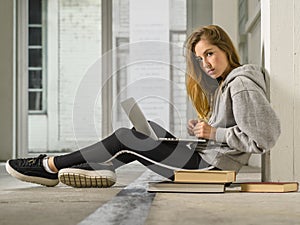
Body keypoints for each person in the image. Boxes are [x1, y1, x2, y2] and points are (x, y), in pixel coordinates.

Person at [6, 25, 281, 188]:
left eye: (209, 53)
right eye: (199, 58)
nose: (205, 63)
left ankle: (50, 166)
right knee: (150, 130)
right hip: (207, 159)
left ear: (225, 50)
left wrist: (213, 133)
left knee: (128, 137)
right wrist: (202, 132)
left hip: (214, 171)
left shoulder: (241, 84)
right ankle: (97, 168)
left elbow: (264, 139)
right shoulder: (225, 84)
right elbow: (231, 130)